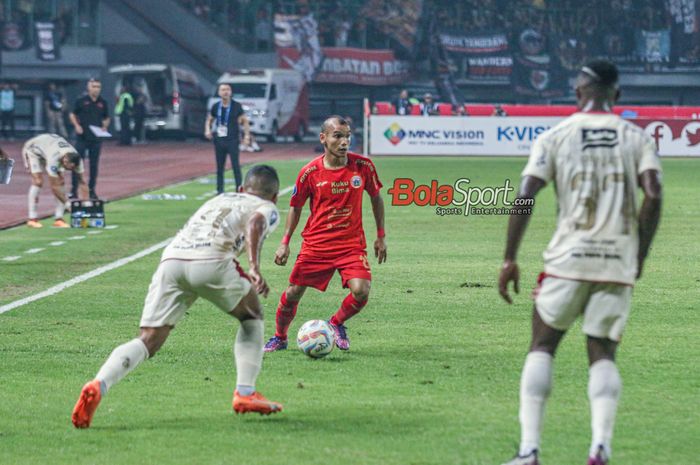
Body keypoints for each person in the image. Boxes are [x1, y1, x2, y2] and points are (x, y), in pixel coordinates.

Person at [498, 60, 663, 465]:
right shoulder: (636, 137)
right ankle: (600, 448)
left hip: (567, 260)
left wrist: (509, 258)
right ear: (617, 96)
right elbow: (654, 194)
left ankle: (530, 450)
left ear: (578, 93)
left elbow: (525, 194)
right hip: (615, 263)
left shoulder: (555, 136)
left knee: (542, 345)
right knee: (603, 352)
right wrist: (638, 254)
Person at [71, 165, 284, 429]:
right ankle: (245, 392)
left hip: (172, 260)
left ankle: (99, 384)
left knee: (149, 340)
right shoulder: (268, 207)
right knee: (252, 317)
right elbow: (256, 221)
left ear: (241, 189)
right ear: (274, 197)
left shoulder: (219, 198)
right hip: (212, 260)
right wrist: (254, 266)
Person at [264, 116, 387, 353]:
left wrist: (381, 235)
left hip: (351, 245)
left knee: (361, 291)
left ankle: (336, 323)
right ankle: (280, 337)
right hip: (316, 244)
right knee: (292, 294)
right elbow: (296, 206)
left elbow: (376, 197)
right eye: (338, 136)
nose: (344, 142)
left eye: (348, 136)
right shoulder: (309, 172)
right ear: (323, 138)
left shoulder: (363, 166)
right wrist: (285, 242)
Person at [22, 134, 88, 228]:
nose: (69, 170)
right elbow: (54, 187)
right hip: (33, 150)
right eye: (68, 168)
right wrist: (68, 205)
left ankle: (59, 219)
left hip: (48, 148)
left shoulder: (77, 161)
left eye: (72, 168)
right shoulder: (54, 158)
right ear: (65, 161)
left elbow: (83, 182)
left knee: (61, 182)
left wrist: (86, 205)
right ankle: (32, 219)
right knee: (38, 182)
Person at [205, 83, 251, 194]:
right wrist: (207, 130)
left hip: (233, 140)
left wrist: (247, 136)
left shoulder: (236, 106)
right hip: (219, 140)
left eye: (227, 89)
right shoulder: (216, 106)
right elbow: (209, 119)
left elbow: (245, 121)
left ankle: (239, 189)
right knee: (219, 167)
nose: (225, 92)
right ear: (219, 92)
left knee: (235, 165)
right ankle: (219, 190)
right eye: (223, 90)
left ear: (230, 92)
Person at [69, 78, 110, 200]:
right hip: (82, 137)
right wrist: (76, 125)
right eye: (94, 86)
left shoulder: (103, 102)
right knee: (76, 164)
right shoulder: (81, 101)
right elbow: (72, 114)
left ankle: (92, 190)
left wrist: (104, 126)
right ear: (89, 88)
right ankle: (73, 190)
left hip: (96, 139)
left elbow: (107, 117)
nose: (96, 89)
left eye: (98, 87)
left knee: (94, 165)